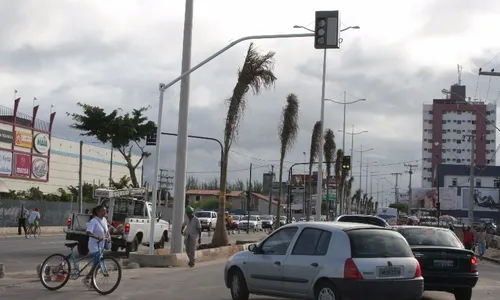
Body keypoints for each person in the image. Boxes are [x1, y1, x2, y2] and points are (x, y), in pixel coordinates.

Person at [84, 205, 110, 287]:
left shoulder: (104, 220)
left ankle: (88, 278)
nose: (105, 212)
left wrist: (109, 237)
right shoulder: (93, 221)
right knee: (98, 262)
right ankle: (91, 281)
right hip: (93, 244)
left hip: (101, 245)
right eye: (103, 210)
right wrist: (96, 237)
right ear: (98, 212)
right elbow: (88, 232)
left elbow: (107, 231)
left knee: (97, 264)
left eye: (105, 210)